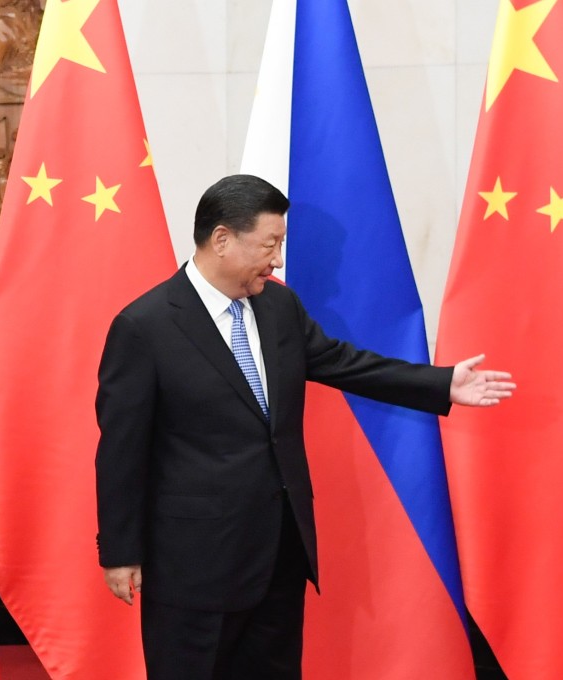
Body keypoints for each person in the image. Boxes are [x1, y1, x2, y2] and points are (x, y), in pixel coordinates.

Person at [95, 174, 515, 679]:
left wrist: (441, 384)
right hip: (194, 566)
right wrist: (120, 553)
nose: (277, 259)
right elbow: (121, 450)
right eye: (270, 244)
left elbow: (342, 362)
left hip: (279, 553)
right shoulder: (144, 326)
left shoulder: (278, 306)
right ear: (223, 239)